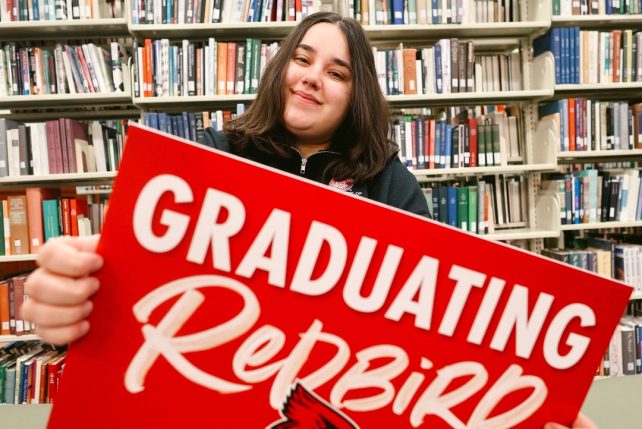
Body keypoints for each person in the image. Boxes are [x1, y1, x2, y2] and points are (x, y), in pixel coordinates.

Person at [21, 12, 595, 429]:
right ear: (280, 69)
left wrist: (540, 397)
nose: (312, 76)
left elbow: (449, 323)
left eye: (338, 72)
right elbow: (141, 287)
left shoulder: (390, 184)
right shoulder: (208, 158)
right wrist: (84, 296)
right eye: (302, 59)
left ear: (357, 95)